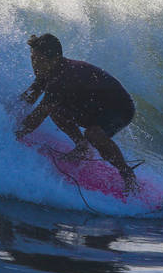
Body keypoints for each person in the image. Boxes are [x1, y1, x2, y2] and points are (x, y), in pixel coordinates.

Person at [15, 34, 138, 193]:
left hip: (119, 107)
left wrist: (14, 135)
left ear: (54, 59)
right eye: (33, 58)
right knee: (56, 109)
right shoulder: (47, 72)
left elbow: (38, 116)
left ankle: (127, 174)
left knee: (93, 134)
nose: (34, 64)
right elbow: (28, 98)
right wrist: (2, 116)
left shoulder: (62, 78)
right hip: (93, 106)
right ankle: (82, 147)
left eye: (38, 60)